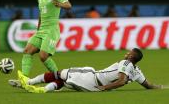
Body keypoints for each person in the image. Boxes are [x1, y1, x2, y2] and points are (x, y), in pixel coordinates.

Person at [9, 0, 72, 87]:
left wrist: (60, 4)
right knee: (27, 51)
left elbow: (68, 5)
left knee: (43, 56)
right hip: (41, 31)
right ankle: (24, 80)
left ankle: (60, 80)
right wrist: (38, 28)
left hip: (51, 30)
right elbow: (41, 14)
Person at [18, 48, 166, 93]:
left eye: (129, 53)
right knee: (63, 81)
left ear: (132, 57)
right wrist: (162, 87)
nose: (127, 53)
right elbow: (148, 85)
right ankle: (42, 90)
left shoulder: (125, 63)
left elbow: (121, 80)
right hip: (92, 85)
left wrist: (104, 87)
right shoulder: (137, 71)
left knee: (60, 73)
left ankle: (29, 81)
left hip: (93, 79)